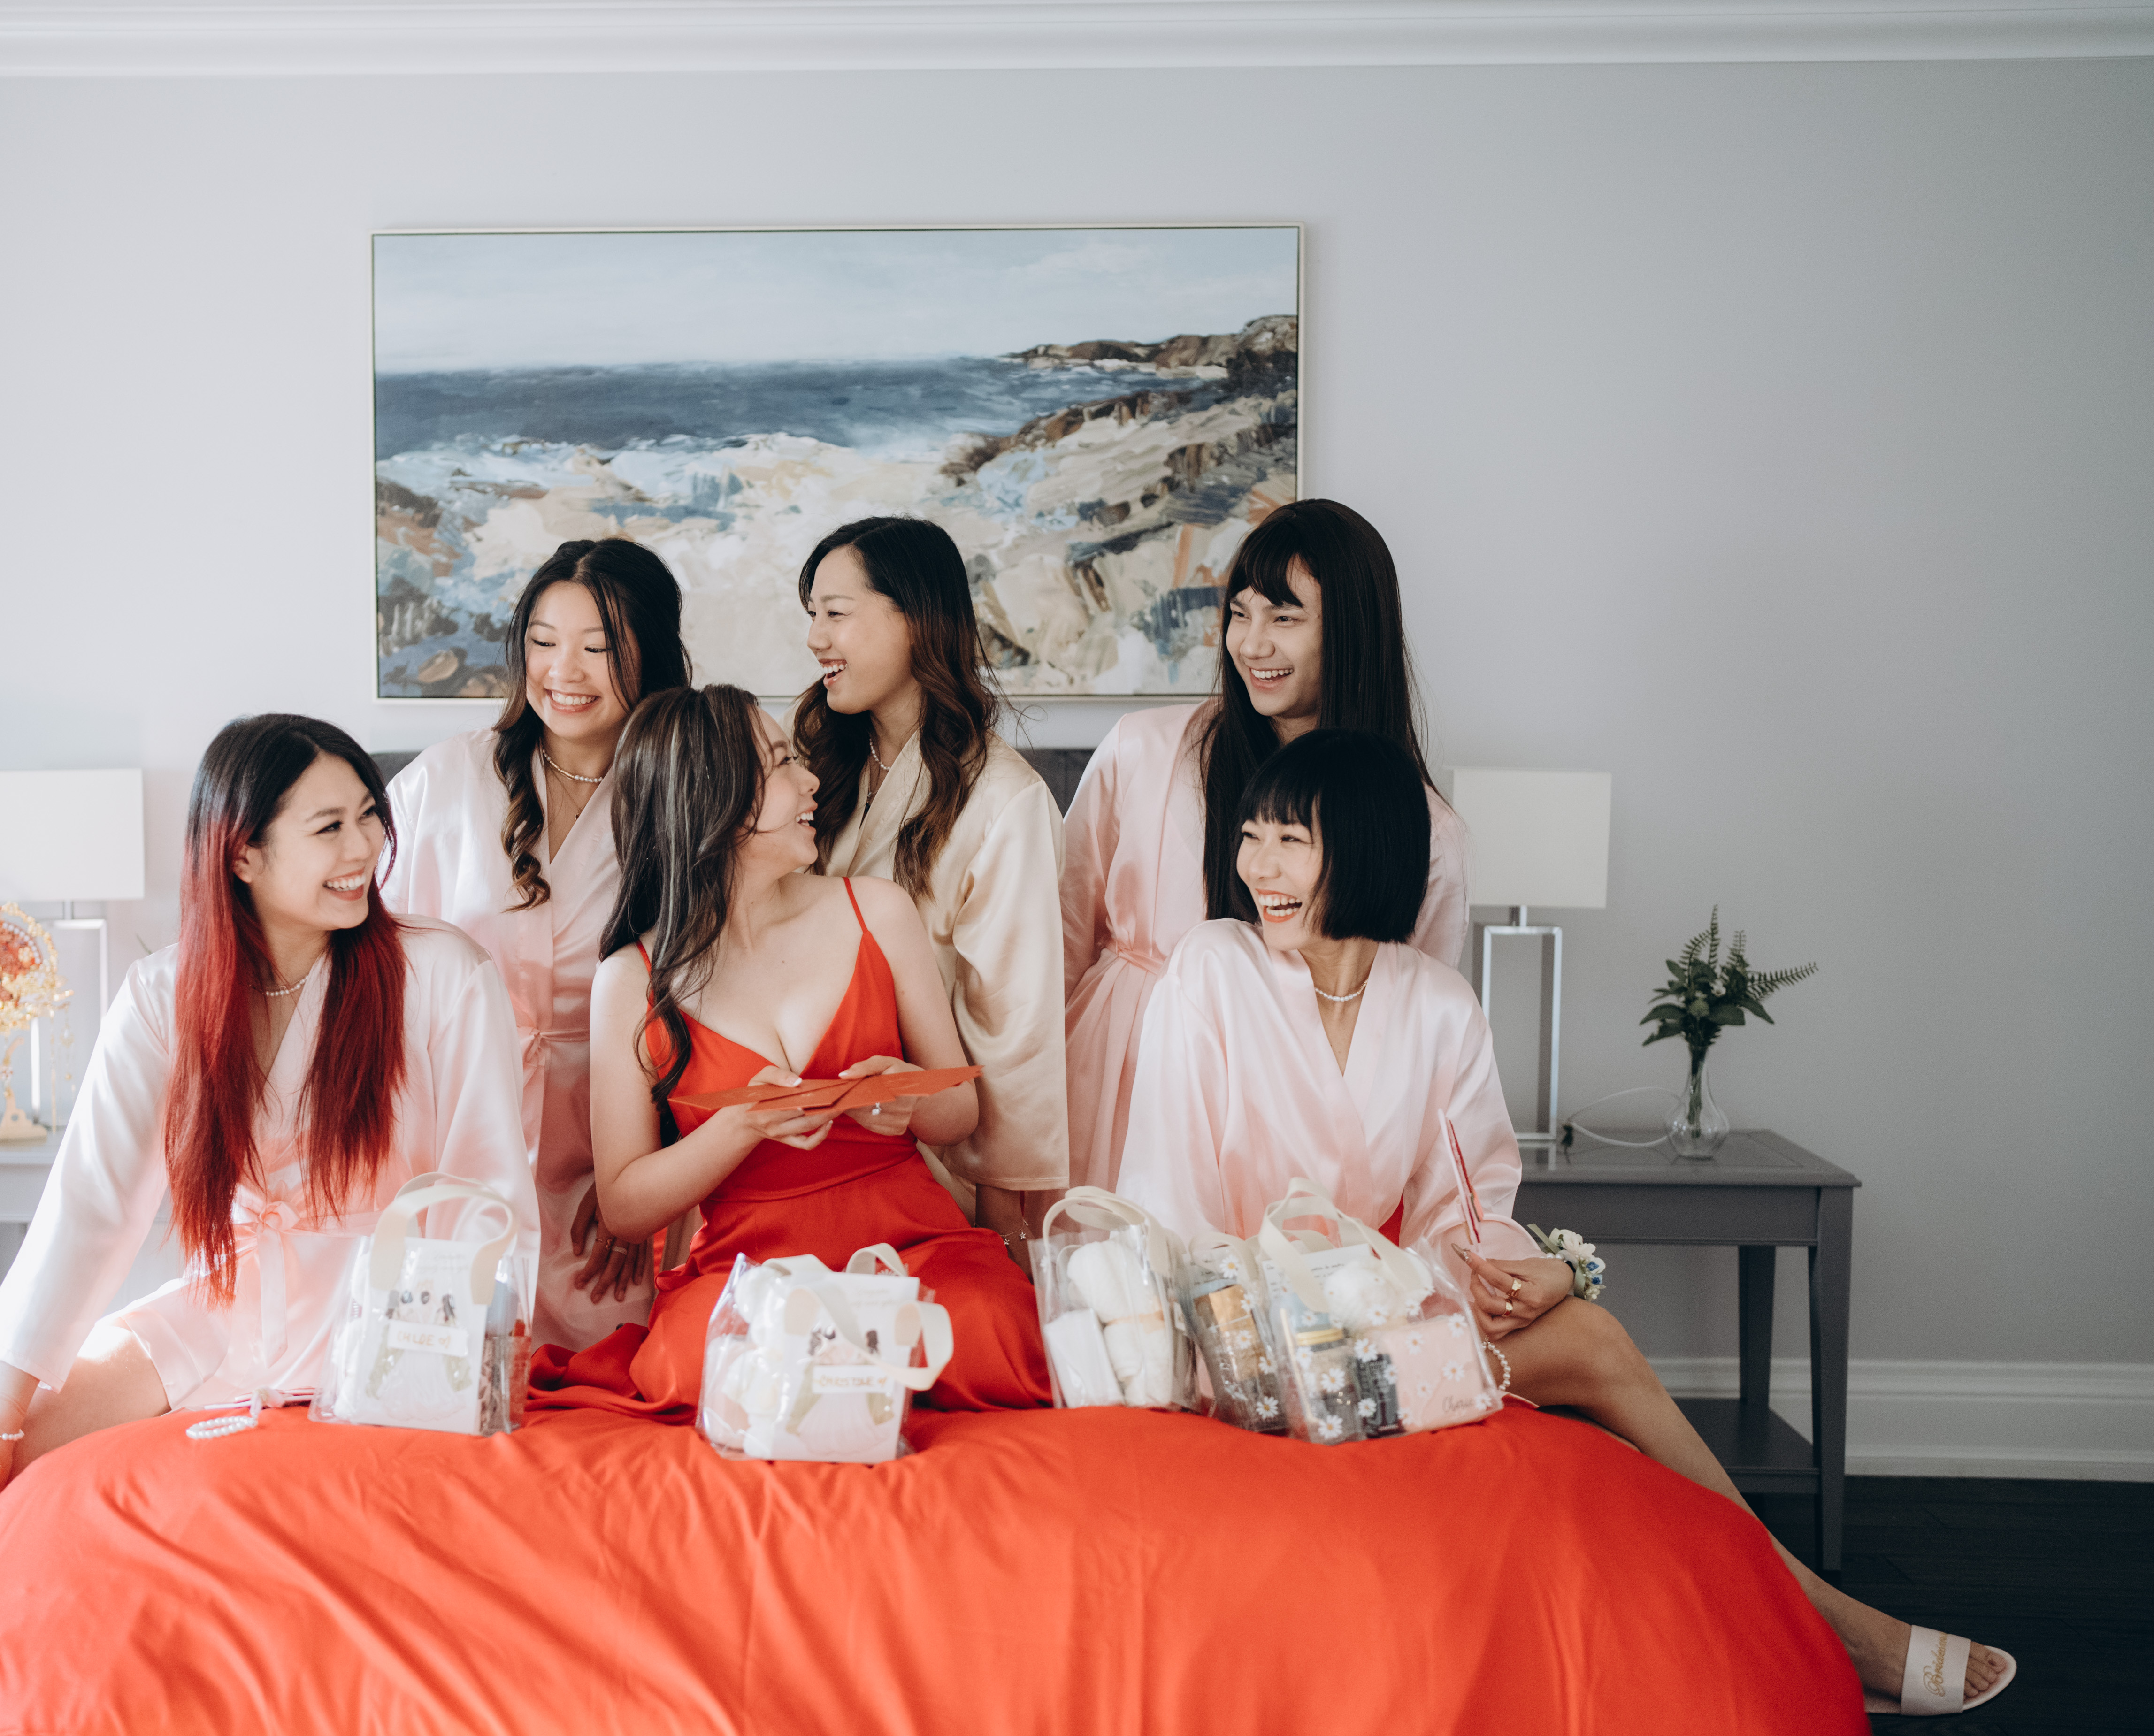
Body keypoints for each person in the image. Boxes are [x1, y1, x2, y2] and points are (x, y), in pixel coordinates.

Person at [1119, 729, 2013, 1718]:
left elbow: (1468, 1207)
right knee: (1591, 1349)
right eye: (1251, 835)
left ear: (1366, 845)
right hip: (1243, 1351)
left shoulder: (1437, 1005)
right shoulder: (1211, 969)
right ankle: (1833, 1619)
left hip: (1372, 1330)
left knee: (1586, 1336)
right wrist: (1288, 1336)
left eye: (1290, 840)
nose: (1258, 865)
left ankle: (1806, 1611)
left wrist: (1533, 1275)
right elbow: (1170, 1205)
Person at [0, 715, 533, 1575]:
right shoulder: (162, 994)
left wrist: (459, 1384)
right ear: (243, 855)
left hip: (383, 1334)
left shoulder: (443, 974)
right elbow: (88, 1209)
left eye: (368, 815)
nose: (365, 847)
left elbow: (489, 1198)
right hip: (215, 1320)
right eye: (329, 827)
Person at [529, 684, 1048, 1420]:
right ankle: (858, 1376)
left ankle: (830, 1378)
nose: (809, 782)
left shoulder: (877, 910)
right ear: (714, 801)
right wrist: (740, 1127)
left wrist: (907, 1099)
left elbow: (959, 1112)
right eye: (779, 765)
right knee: (687, 1360)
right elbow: (625, 1207)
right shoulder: (631, 980)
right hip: (752, 1270)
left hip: (910, 1248)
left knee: (989, 1325)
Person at [1061, 499, 1469, 1192]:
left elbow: (1409, 1028)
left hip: (1290, 1126)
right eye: (1240, 614)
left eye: (1283, 618)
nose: (1251, 645)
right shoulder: (1144, 750)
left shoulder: (1426, 832)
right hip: (1114, 1085)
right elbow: (1061, 938)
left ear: (1353, 630)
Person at [384, 537, 690, 1350]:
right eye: (544, 643)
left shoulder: (685, 796)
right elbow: (375, 969)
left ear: (652, 653)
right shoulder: (445, 782)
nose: (564, 671)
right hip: (457, 1123)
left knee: (607, 1359)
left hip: (616, 1132)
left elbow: (716, 993)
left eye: (599, 648)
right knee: (451, 1354)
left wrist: (645, 1179)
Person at [796, 516, 1068, 1261]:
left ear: (915, 619)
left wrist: (1002, 1216)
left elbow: (1015, 1025)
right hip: (795, 1126)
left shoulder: (1002, 800)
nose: (815, 639)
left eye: (835, 613)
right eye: (811, 615)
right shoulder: (807, 760)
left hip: (924, 1149)